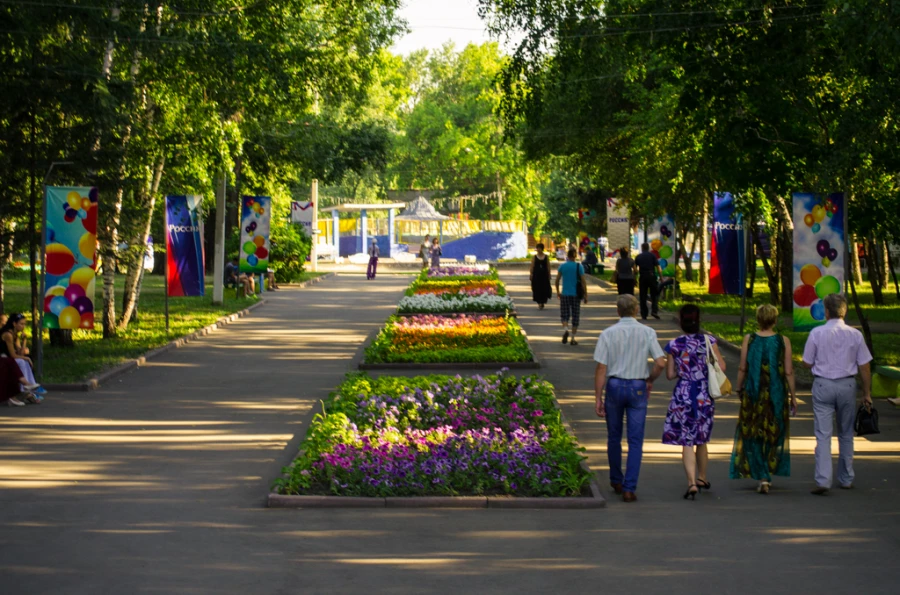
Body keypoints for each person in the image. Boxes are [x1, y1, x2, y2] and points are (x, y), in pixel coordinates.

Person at [594, 294, 666, 502]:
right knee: (635, 440)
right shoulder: (647, 332)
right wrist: (650, 379)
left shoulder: (607, 334)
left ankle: (616, 479)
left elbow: (601, 367)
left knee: (613, 436)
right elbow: (660, 362)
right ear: (636, 311)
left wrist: (598, 397)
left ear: (618, 311)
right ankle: (629, 488)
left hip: (614, 386)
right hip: (638, 386)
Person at [802, 294, 873, 495]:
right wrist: (866, 393)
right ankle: (846, 478)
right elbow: (865, 366)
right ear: (845, 311)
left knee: (823, 435)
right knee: (846, 433)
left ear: (825, 311)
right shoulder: (855, 335)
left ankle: (823, 480)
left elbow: (807, 362)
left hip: (823, 385)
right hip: (847, 386)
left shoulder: (816, 333)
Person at [729, 304, 796, 494]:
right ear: (775, 320)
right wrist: (793, 396)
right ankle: (767, 470)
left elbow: (743, 367)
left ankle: (762, 476)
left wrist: (738, 388)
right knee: (774, 431)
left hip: (753, 392)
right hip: (776, 393)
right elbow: (789, 371)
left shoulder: (749, 340)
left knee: (754, 431)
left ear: (758, 320)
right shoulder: (783, 341)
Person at [663, 305, 726, 499]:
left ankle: (691, 483)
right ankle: (702, 477)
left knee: (687, 440)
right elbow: (721, 366)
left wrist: (684, 369)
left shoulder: (674, 344)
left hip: (683, 394)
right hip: (703, 395)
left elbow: (670, 374)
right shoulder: (709, 341)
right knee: (702, 438)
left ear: (681, 322)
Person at [0, 313, 43, 403]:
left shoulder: (15, 334)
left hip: (8, 359)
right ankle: (25, 389)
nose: (23, 326)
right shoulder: (8, 334)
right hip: (3, 359)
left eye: (24, 324)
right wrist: (26, 358)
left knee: (24, 361)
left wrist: (24, 340)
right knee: (22, 361)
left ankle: (29, 389)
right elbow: (13, 355)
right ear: (14, 324)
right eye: (21, 324)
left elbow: (20, 352)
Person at [555, 248, 587, 345]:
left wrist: (558, 292)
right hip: (576, 295)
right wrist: (585, 295)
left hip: (565, 294)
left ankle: (565, 330)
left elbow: (557, 280)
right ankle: (572, 339)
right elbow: (583, 282)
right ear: (575, 256)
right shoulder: (579, 266)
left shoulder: (563, 266)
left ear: (567, 256)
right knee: (575, 316)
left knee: (564, 314)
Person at [635, 242, 662, 320]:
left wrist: (635, 278)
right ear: (648, 248)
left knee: (642, 295)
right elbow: (658, 267)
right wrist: (661, 277)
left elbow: (635, 269)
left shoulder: (638, 256)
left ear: (642, 248)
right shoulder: (652, 256)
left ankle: (644, 313)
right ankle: (654, 310)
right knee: (654, 294)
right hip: (651, 276)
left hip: (642, 276)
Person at [529, 242, 552, 310]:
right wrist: (531, 274)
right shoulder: (535, 257)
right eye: (537, 248)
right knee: (537, 288)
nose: (538, 250)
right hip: (536, 276)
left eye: (539, 248)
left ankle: (543, 302)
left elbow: (548, 266)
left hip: (544, 276)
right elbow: (532, 266)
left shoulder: (546, 257)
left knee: (544, 288)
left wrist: (549, 274)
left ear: (542, 249)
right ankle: (539, 302)